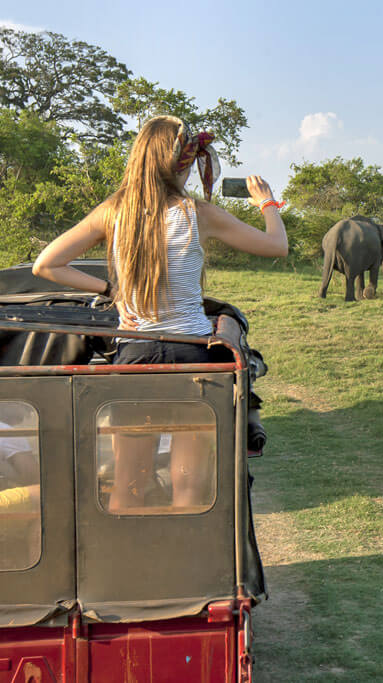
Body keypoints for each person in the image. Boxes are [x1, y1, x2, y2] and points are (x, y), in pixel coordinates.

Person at [32, 115, 288, 511]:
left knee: (127, 487)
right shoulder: (198, 213)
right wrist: (267, 202)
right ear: (182, 164)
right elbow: (277, 246)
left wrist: (111, 291)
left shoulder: (113, 211)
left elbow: (46, 264)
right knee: (191, 487)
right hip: (193, 358)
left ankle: (127, 566)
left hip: (135, 357)